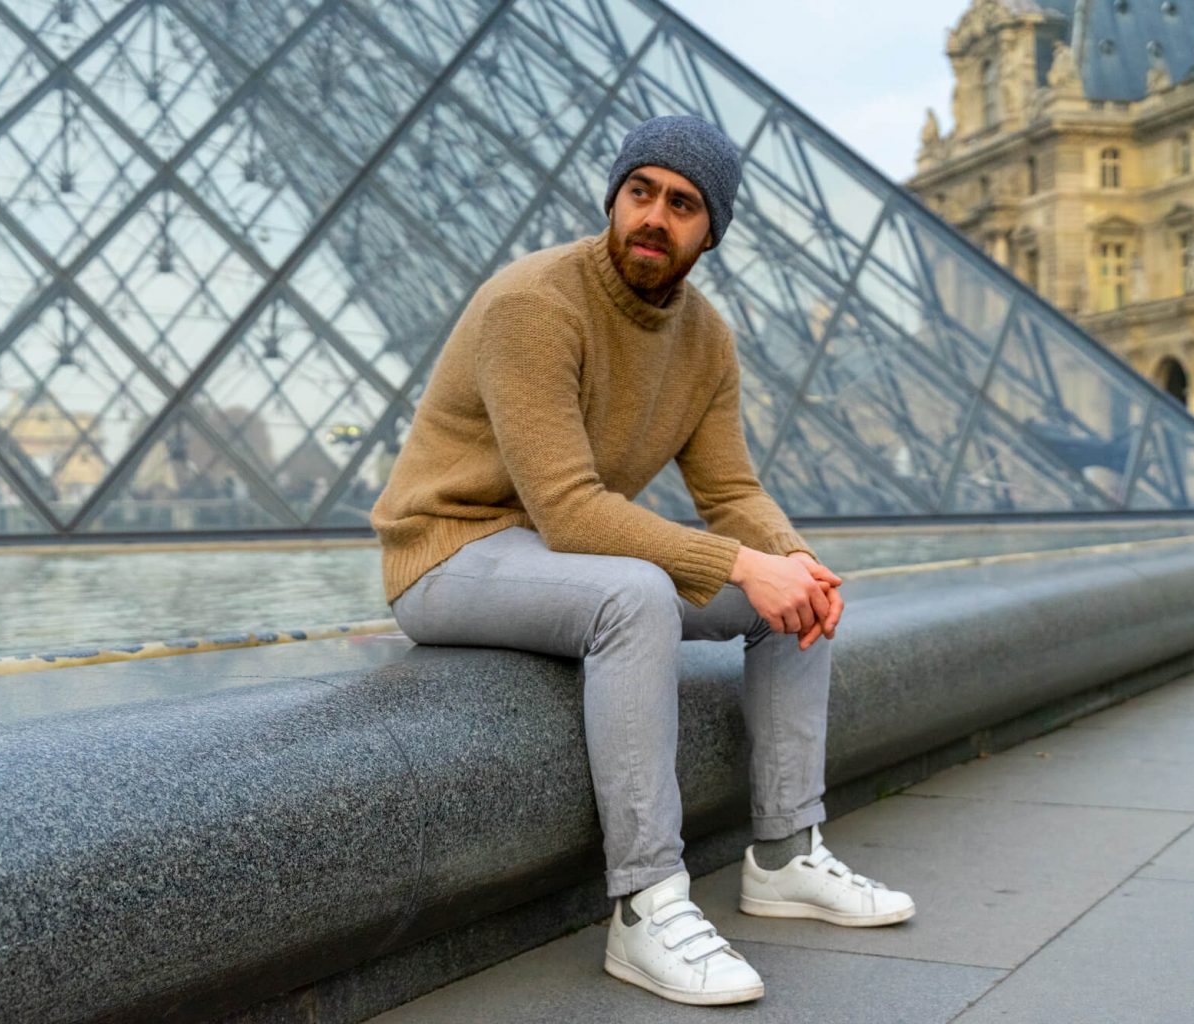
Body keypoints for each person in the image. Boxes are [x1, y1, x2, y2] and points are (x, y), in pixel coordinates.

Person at [370, 115, 914, 1006]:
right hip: (450, 554)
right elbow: (572, 509)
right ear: (615, 197)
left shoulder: (707, 340)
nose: (655, 217)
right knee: (636, 595)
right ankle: (645, 904)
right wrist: (743, 565)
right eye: (641, 192)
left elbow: (733, 492)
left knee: (793, 603)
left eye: (683, 204)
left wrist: (797, 562)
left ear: (712, 229)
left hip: (551, 557)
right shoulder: (533, 304)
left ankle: (785, 855)